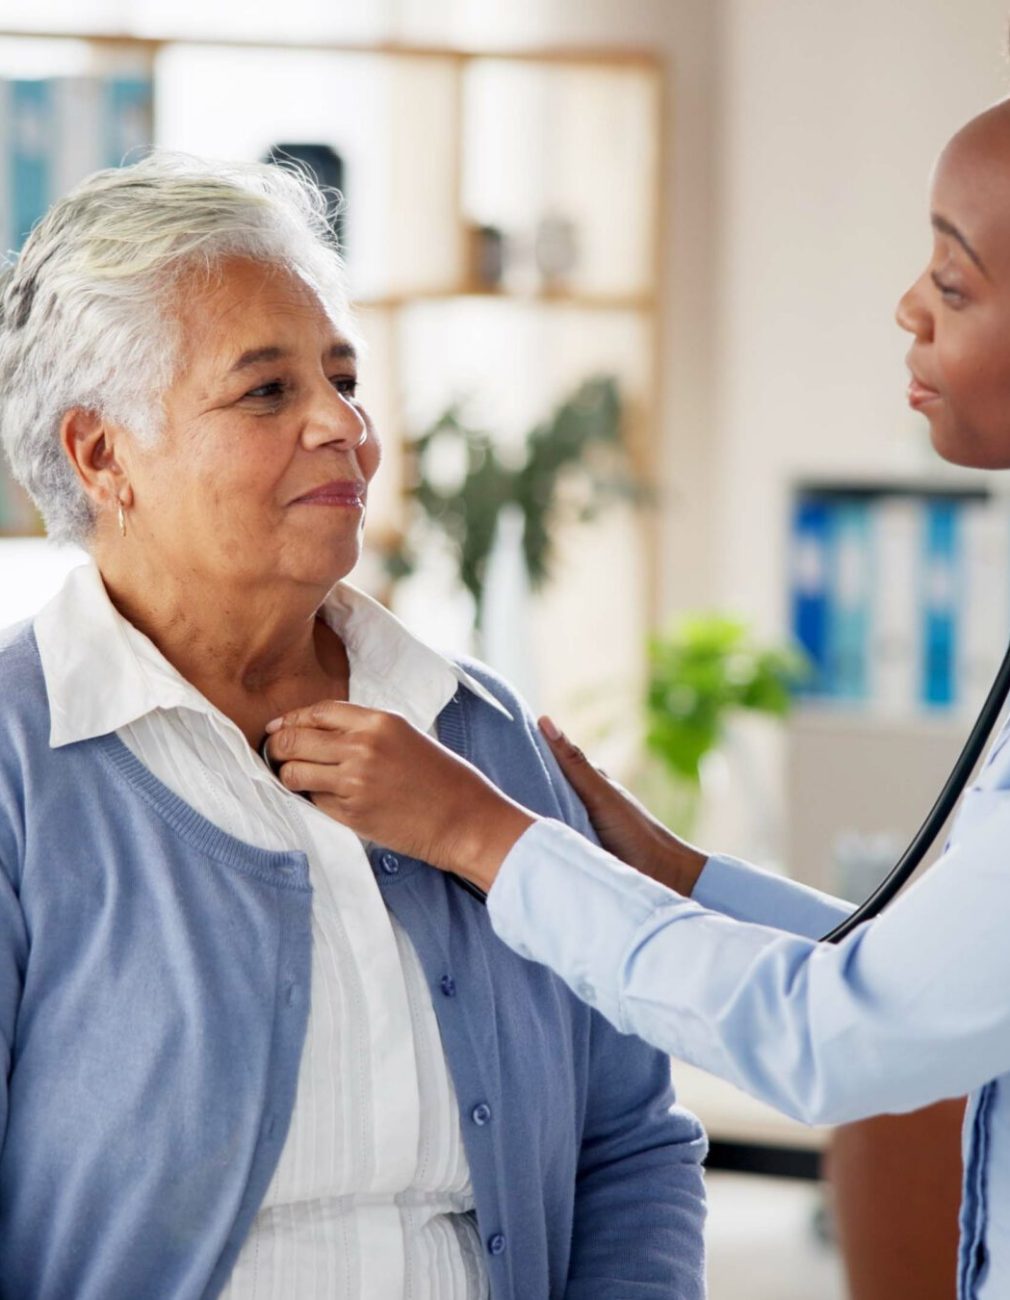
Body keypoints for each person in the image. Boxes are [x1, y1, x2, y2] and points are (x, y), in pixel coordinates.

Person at [261, 96, 1010, 1299]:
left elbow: (829, 1041)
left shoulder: (467, 744)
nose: (906, 309)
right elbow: (933, 970)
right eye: (261, 392)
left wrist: (482, 836)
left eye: (954, 284)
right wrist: (672, 873)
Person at [0, 153, 708, 1299]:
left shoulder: (476, 737)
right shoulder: (19, 772)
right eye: (266, 390)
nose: (345, 426)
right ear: (101, 454)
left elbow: (626, 1140)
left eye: (342, 375)